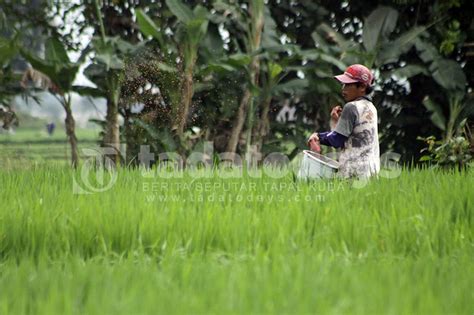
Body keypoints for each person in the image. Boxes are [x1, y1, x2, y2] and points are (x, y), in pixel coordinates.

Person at [307, 64, 380, 178]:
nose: (343, 89)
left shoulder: (350, 107)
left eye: (348, 85)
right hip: (371, 171)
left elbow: (337, 140)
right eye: (343, 84)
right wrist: (338, 122)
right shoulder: (371, 108)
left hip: (353, 172)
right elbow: (353, 135)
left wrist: (318, 136)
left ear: (361, 87)